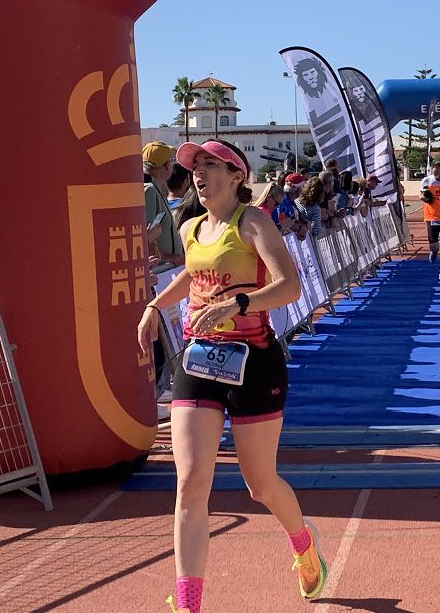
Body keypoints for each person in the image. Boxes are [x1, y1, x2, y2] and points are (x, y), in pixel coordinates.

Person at [136, 140, 327, 613]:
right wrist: (154, 306)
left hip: (254, 361)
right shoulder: (193, 227)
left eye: (209, 166)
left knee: (259, 485)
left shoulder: (254, 222)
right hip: (200, 362)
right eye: (194, 168)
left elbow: (290, 285)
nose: (198, 174)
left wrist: (237, 303)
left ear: (236, 175)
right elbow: (192, 273)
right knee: (191, 480)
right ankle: (188, 602)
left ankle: (304, 545)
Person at [143, 142, 184, 267]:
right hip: (159, 270)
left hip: (164, 268)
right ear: (166, 166)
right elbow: (146, 235)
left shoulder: (156, 189)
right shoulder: (149, 190)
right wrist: (168, 257)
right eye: (171, 161)